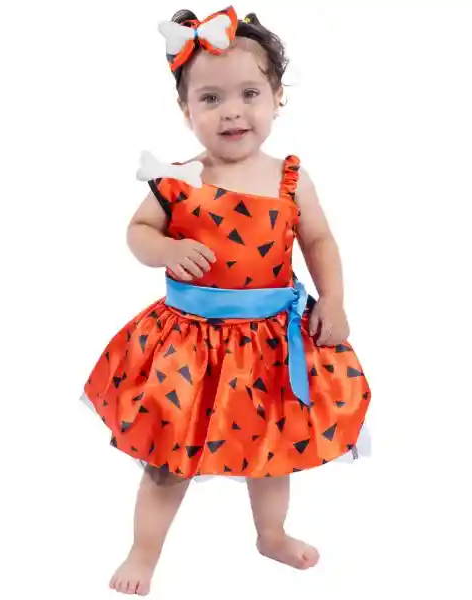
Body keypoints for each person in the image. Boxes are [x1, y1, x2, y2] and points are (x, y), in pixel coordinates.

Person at [80, 6, 372, 596]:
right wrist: (164, 249)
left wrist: (333, 301)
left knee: (274, 448)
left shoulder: (291, 178)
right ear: (185, 109)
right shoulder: (179, 178)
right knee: (167, 457)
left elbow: (318, 240)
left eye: (249, 93)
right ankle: (143, 551)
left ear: (277, 98)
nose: (233, 111)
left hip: (270, 344)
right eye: (210, 99)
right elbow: (137, 232)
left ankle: (271, 534)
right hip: (190, 345)